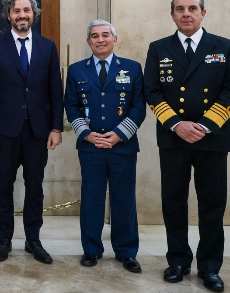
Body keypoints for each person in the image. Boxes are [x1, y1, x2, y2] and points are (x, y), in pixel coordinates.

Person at [144, 0, 230, 292]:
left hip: (212, 139)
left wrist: (204, 125)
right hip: (174, 139)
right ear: (172, 14)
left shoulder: (224, 47)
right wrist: (176, 124)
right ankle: (178, 261)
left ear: (203, 13)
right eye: (180, 9)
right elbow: (152, 91)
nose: (186, 13)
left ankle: (210, 267)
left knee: (212, 204)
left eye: (192, 8)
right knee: (173, 203)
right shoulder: (159, 48)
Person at [0, 0, 63, 264]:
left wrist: (56, 128)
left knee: (35, 187)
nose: (22, 15)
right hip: (4, 131)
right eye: (16, 11)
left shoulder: (47, 47)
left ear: (34, 14)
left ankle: (33, 240)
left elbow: (55, 90)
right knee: (4, 186)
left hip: (38, 131)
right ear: (8, 15)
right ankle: (4, 240)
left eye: (26, 10)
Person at [64, 20, 145, 272]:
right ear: (88, 41)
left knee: (124, 200)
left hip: (123, 146)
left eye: (105, 35)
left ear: (114, 39)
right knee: (92, 199)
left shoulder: (132, 68)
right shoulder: (77, 70)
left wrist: (120, 134)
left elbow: (138, 106)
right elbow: (71, 106)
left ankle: (127, 252)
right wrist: (86, 134)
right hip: (91, 148)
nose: (100, 40)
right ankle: (91, 249)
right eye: (95, 36)